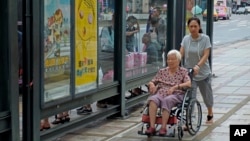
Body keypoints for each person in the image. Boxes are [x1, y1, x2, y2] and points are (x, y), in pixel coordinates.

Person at [145, 49, 191, 136]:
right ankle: (152, 127)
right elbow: (153, 81)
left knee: (167, 100)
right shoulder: (162, 71)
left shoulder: (183, 71)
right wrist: (151, 84)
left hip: (176, 94)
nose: (170, 61)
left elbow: (189, 83)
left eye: (173, 59)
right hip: (161, 92)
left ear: (178, 60)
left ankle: (163, 128)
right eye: (168, 59)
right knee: (153, 100)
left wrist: (175, 87)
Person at [180, 17, 214, 124]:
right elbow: (181, 53)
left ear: (199, 27)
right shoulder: (186, 39)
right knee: (191, 98)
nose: (193, 28)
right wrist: (176, 62)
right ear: (188, 27)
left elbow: (206, 54)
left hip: (203, 73)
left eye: (195, 26)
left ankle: (210, 113)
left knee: (207, 96)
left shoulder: (205, 39)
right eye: (191, 26)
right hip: (190, 74)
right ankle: (190, 120)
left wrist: (198, 66)